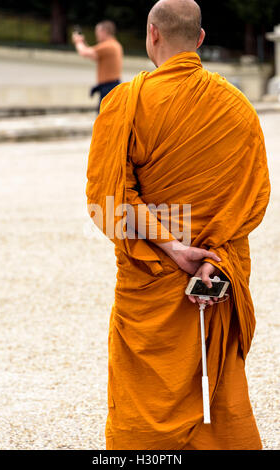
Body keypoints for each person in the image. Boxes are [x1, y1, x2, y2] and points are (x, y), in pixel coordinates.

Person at [86, 0, 271, 450]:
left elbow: (106, 203)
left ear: (151, 34)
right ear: (201, 39)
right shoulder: (237, 106)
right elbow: (250, 201)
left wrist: (172, 247)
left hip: (154, 271)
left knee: (145, 395)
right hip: (216, 268)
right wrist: (213, 255)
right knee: (219, 384)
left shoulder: (126, 101)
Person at [72, 20, 123, 112]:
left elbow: (84, 52)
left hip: (108, 87)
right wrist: (83, 42)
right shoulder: (115, 45)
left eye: (98, 32)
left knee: (104, 116)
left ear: (104, 32)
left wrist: (78, 42)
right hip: (111, 86)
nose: (96, 35)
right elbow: (93, 55)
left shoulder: (108, 46)